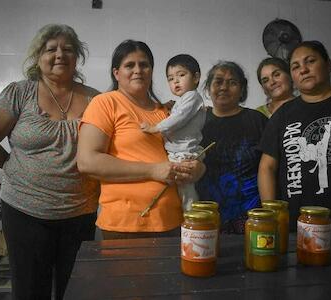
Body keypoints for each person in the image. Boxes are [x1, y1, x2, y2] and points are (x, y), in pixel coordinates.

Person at [0, 24, 100, 300]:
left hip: (81, 213)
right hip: (24, 212)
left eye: (67, 49)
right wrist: (13, 166)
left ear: (77, 57)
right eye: (50, 49)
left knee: (78, 291)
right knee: (30, 291)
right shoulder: (19, 92)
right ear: (37, 56)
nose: (59, 55)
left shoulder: (95, 99)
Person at [77, 40, 205, 240]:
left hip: (173, 222)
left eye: (144, 65)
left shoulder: (167, 112)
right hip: (124, 225)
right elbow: (87, 162)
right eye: (130, 65)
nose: (138, 70)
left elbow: (188, 148)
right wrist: (153, 170)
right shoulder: (105, 103)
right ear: (116, 73)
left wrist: (197, 169)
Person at [258, 40, 331, 231]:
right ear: (292, 75)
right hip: (297, 229)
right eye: (296, 66)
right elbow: (266, 167)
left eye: (310, 61)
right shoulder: (283, 115)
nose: (303, 70)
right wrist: (273, 216)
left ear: (328, 64)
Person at [196, 61, 267, 234]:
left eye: (232, 82)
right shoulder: (197, 122)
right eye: (218, 81)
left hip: (251, 214)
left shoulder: (258, 120)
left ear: (242, 89)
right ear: (208, 87)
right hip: (206, 214)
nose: (224, 87)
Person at [140, 54, 206, 211]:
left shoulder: (192, 97)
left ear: (196, 77)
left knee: (186, 192)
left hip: (185, 152)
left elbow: (179, 117)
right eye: (170, 78)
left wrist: (155, 128)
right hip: (178, 152)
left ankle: (191, 218)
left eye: (181, 75)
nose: (175, 81)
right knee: (181, 190)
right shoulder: (185, 99)